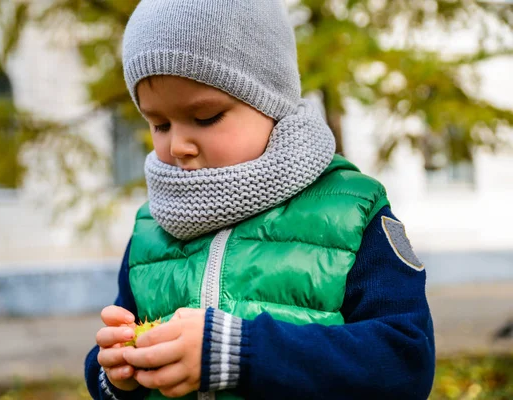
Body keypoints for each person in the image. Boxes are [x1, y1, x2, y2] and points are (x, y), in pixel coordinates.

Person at [85, 0, 435, 399]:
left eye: (205, 118)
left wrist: (240, 352)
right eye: (159, 124)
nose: (178, 144)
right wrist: (116, 373)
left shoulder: (351, 213)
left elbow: (406, 362)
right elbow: (106, 364)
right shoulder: (153, 227)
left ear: (271, 101)